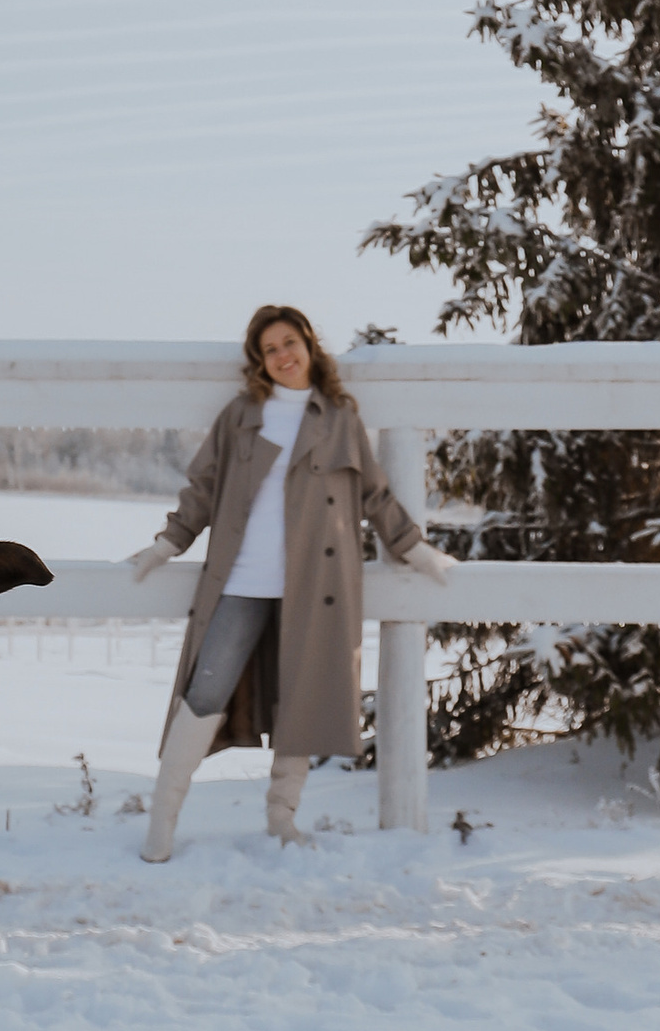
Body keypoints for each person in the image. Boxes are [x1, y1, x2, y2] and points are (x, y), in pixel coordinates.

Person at [127, 304, 454, 860]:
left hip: (316, 584)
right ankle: (162, 822)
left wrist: (415, 549)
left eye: (288, 343)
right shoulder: (242, 415)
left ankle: (282, 820)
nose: (281, 356)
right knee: (205, 691)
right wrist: (168, 542)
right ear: (260, 361)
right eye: (268, 350)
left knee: (302, 701)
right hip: (242, 579)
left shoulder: (340, 417)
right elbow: (203, 488)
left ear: (308, 343)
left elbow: (373, 494)